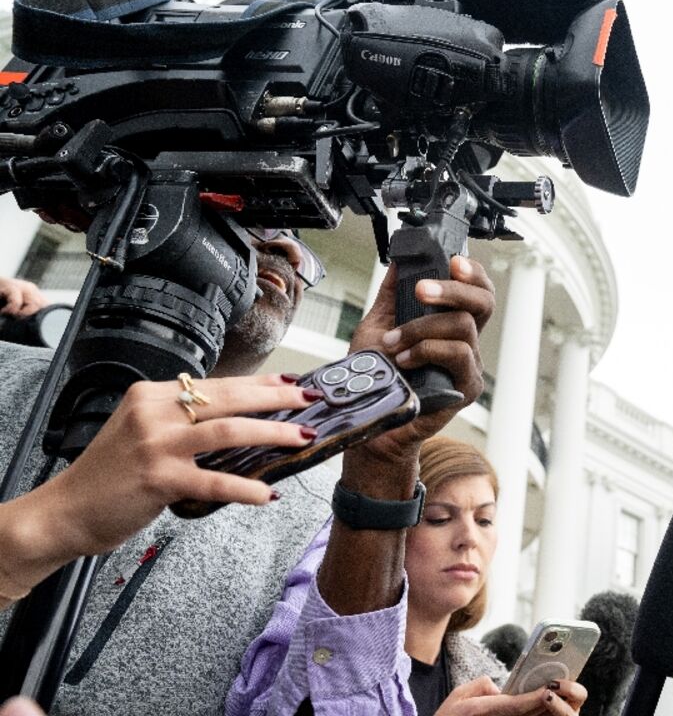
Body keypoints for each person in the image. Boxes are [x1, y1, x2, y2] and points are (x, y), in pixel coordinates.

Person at [0, 231, 495, 715]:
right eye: (250, 218)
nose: (286, 248)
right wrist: (42, 530)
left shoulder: (321, 511)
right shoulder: (6, 375)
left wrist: (380, 458)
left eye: (299, 240)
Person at [227, 436, 586, 715]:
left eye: (484, 520)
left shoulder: (491, 681)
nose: (469, 539)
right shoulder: (316, 658)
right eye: (440, 518)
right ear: (394, 532)